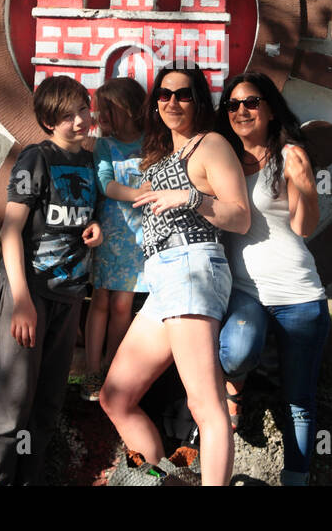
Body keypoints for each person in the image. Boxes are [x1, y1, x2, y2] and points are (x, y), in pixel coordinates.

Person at [99, 66, 249, 486]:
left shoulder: (211, 145)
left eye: (182, 95)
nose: (171, 102)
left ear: (199, 101)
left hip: (192, 267)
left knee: (207, 405)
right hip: (163, 276)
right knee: (116, 397)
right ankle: (156, 480)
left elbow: (238, 216)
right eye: (163, 95)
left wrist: (189, 196)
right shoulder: (162, 155)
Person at [215, 72, 330, 486]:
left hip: (298, 293)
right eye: (233, 104)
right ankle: (234, 392)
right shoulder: (221, 156)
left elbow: (304, 227)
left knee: (299, 401)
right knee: (237, 352)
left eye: (252, 102)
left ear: (269, 109)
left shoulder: (290, 154)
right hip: (245, 291)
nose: (242, 111)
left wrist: (304, 182)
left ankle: (295, 479)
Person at [0, 75, 102, 485]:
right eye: (67, 115)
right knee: (12, 406)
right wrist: (20, 299)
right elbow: (10, 230)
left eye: (83, 110)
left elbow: (87, 218)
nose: (79, 120)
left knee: (48, 403)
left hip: (70, 296)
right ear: (49, 120)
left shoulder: (91, 163)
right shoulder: (35, 159)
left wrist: (95, 229)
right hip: (31, 293)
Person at [82, 76, 149, 402]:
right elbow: (105, 184)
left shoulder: (153, 142)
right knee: (101, 300)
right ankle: (92, 370)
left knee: (124, 303)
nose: (101, 118)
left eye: (109, 110)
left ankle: (111, 366)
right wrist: (138, 193)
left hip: (139, 236)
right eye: (100, 111)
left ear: (131, 109)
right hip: (112, 230)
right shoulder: (104, 146)